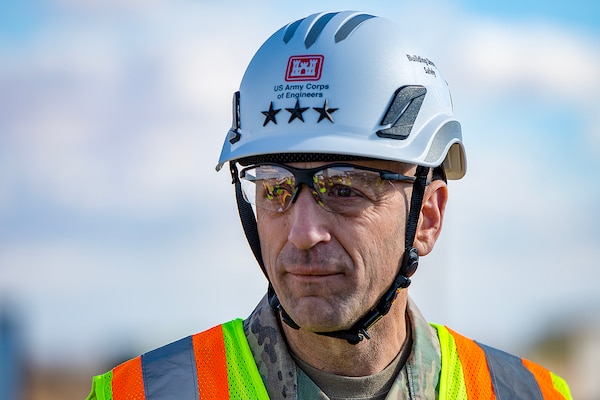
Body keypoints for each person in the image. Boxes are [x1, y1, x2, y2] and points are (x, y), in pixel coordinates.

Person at [87, 11, 572, 399]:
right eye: (274, 187)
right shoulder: (142, 393)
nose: (302, 232)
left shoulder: (528, 393)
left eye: (342, 188)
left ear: (427, 215)